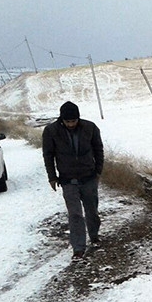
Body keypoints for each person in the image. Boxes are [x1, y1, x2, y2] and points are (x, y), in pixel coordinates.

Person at [42, 101, 104, 260]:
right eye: (67, 121)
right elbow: (48, 155)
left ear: (78, 118)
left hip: (89, 176)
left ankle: (94, 235)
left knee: (92, 210)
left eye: (74, 121)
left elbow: (98, 149)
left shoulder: (90, 128)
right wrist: (52, 177)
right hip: (67, 179)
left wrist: (98, 171)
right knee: (75, 214)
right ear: (61, 119)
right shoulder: (51, 131)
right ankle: (78, 248)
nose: (71, 124)